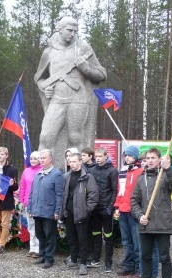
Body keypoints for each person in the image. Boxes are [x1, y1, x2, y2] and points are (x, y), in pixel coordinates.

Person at [34, 16, 107, 168]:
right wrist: (45, 88)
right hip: (57, 99)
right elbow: (39, 79)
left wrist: (85, 68)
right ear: (59, 30)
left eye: (75, 31)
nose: (72, 34)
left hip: (78, 98)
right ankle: (45, 172)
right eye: (69, 30)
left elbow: (101, 74)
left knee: (75, 138)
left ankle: (78, 172)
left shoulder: (83, 48)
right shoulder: (49, 52)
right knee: (46, 136)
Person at [130, 148, 172, 278]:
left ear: (159, 159)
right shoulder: (141, 179)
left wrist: (169, 168)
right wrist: (139, 216)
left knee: (164, 258)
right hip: (145, 225)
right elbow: (134, 201)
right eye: (148, 158)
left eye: (153, 158)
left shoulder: (166, 175)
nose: (150, 160)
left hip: (162, 225)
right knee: (145, 256)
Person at [60, 153, 98, 275]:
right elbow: (63, 195)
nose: (72, 164)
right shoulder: (66, 176)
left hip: (81, 213)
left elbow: (93, 196)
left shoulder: (87, 177)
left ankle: (83, 263)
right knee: (71, 237)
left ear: (81, 162)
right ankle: (74, 259)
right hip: (69, 212)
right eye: (70, 162)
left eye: (75, 161)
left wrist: (87, 210)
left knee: (83, 239)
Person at [27, 149, 64, 269]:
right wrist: (30, 208)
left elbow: (59, 194)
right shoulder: (38, 174)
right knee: (40, 234)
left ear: (50, 159)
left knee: (49, 235)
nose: (41, 160)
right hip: (37, 210)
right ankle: (42, 255)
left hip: (49, 211)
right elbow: (32, 193)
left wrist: (57, 211)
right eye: (40, 158)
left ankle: (49, 258)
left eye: (44, 158)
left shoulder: (56, 174)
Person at [114, 146, 146, 278]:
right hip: (123, 210)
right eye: (125, 155)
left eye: (130, 155)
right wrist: (116, 207)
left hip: (134, 211)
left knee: (137, 242)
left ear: (136, 157)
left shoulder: (141, 171)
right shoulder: (122, 171)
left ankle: (140, 269)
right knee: (127, 242)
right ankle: (128, 265)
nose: (127, 157)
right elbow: (119, 191)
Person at [87, 147, 118, 272]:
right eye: (97, 156)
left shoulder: (112, 171)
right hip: (95, 208)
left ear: (106, 156)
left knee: (108, 235)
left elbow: (114, 190)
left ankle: (108, 262)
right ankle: (96, 258)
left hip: (106, 208)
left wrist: (110, 207)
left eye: (100, 156)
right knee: (96, 234)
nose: (98, 159)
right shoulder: (92, 170)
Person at [0, 146, 18, 256]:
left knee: (5, 224)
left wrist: (12, 185)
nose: (0, 156)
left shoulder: (12, 169)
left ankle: (1, 245)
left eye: (2, 154)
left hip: (6, 199)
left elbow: (15, 187)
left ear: (6, 155)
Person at [19, 151, 42, 257]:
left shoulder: (42, 170)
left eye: (35, 159)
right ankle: (32, 247)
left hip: (38, 202)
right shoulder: (26, 171)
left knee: (38, 226)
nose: (33, 161)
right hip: (28, 203)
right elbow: (23, 186)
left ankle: (38, 248)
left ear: (39, 160)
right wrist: (21, 200)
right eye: (31, 159)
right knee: (30, 226)